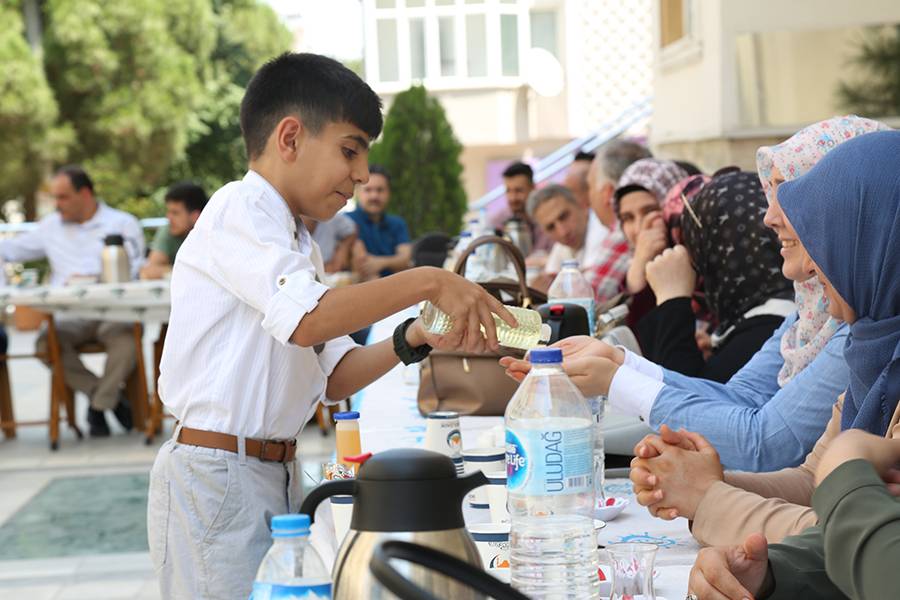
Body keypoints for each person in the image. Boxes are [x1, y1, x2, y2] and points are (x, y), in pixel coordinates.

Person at [147, 53, 516, 600]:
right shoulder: (239, 208)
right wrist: (428, 280)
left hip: (271, 468)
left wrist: (415, 335)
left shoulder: (296, 241)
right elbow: (308, 320)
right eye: (350, 150)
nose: (362, 174)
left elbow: (334, 375)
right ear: (290, 137)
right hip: (217, 473)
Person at [500, 118, 891, 473]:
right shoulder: (814, 312)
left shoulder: (867, 320)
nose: (768, 216)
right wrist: (617, 362)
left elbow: (765, 443)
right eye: (769, 193)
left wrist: (617, 377)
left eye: (789, 194)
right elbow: (742, 396)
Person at [625, 118, 892, 548]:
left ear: (873, 231)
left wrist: (710, 497)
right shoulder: (867, 338)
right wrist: (704, 480)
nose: (770, 218)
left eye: (821, 221)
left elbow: (860, 542)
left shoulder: (859, 335)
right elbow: (812, 479)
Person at [686, 130, 900, 600]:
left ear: (875, 241)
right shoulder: (873, 351)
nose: (808, 267)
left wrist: (708, 495)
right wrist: (772, 573)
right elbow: (815, 479)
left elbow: (881, 556)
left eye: (827, 236)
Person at [0, 165, 145, 437]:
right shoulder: (50, 227)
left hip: (113, 311)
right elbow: (7, 249)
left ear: (85, 193)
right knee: (45, 345)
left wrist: (96, 277)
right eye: (55, 197)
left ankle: (99, 406)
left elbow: (135, 269)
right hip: (69, 314)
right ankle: (105, 399)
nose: (57, 204)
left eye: (63, 197)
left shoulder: (122, 223)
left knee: (127, 342)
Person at [638, 169, 794, 382]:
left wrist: (672, 299)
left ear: (713, 248)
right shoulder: (783, 311)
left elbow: (680, 402)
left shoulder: (770, 329)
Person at [584, 139, 652, 303]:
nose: (588, 198)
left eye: (589, 187)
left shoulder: (623, 233)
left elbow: (587, 305)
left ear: (608, 193)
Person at [527, 184, 608, 291]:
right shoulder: (562, 246)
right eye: (551, 227)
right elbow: (545, 282)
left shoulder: (603, 229)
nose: (562, 232)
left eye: (563, 217)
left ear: (581, 205)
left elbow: (589, 289)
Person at [348, 164, 412, 281]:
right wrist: (394, 262)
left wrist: (380, 262)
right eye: (368, 190)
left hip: (396, 286)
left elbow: (406, 258)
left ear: (389, 193)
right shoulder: (347, 221)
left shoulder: (398, 223)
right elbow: (360, 264)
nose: (374, 196)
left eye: (380, 190)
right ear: (357, 193)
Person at [140, 182, 208, 280]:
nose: (169, 218)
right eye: (168, 212)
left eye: (175, 213)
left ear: (195, 216)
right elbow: (148, 272)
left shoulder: (212, 233)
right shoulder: (168, 231)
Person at [486, 161, 552, 255]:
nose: (513, 198)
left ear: (532, 188)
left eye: (519, 190)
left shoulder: (549, 219)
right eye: (508, 191)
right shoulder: (498, 221)